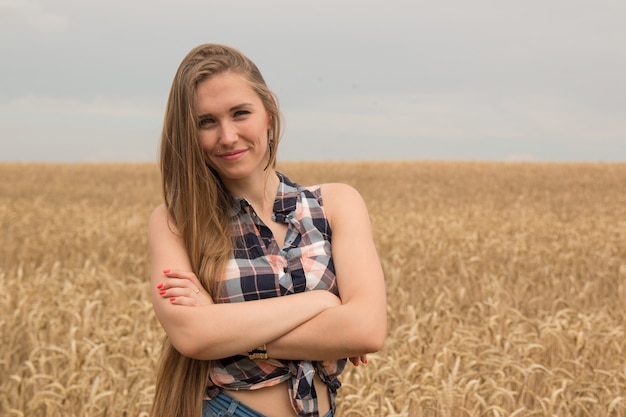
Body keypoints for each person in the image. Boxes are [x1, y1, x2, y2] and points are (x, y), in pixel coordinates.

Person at [148, 43, 387, 417]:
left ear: (269, 116)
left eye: (240, 113)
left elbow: (367, 330)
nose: (227, 137)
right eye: (206, 122)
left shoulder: (336, 204)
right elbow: (193, 336)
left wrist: (229, 334)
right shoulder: (177, 222)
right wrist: (321, 304)